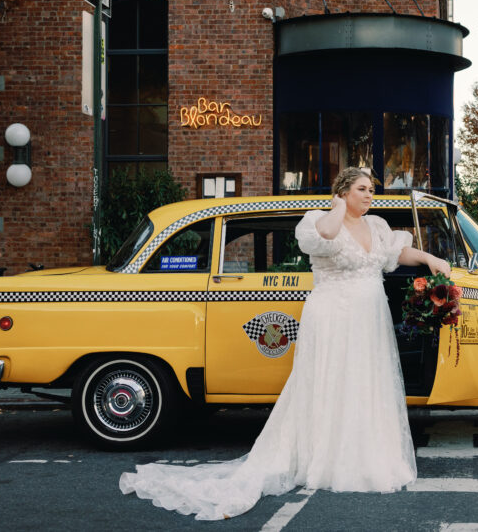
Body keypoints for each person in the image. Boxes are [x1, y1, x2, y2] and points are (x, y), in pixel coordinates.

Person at [119, 167, 451, 520]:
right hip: (333, 316)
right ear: (343, 192)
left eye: (371, 189)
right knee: (330, 382)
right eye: (362, 189)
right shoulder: (318, 220)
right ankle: (324, 459)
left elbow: (395, 256)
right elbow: (325, 234)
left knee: (365, 383)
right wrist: (337, 207)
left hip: (370, 317)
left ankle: (365, 456)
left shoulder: (378, 227)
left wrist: (428, 258)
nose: (370, 195)